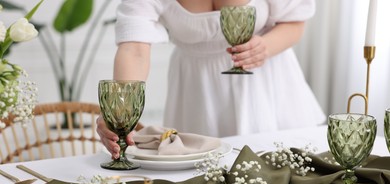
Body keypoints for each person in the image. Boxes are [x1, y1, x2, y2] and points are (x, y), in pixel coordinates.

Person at [97, 0, 326, 159]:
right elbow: (134, 49)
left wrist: (266, 46)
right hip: (197, 96)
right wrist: (119, 109)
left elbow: (295, 22)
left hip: (266, 90)